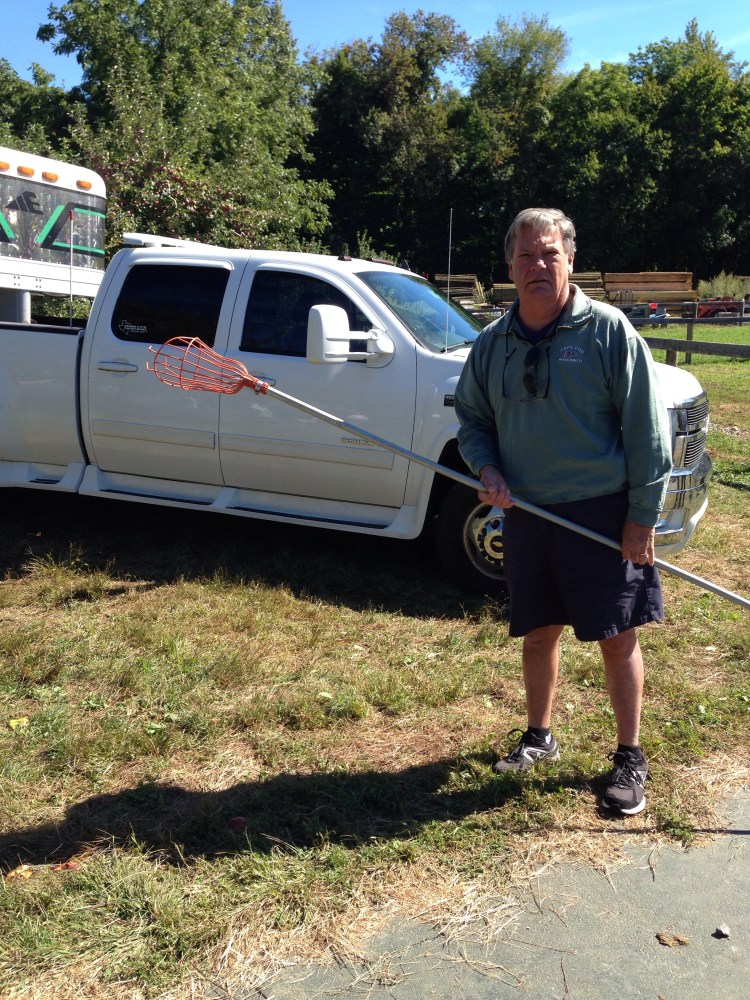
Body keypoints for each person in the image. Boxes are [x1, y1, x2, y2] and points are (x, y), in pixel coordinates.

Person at [454, 208, 673, 816]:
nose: (538, 266)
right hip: (527, 510)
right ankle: (539, 736)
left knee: (616, 636)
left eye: (549, 254)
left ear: (570, 259)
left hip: (601, 514)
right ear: (509, 268)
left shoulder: (608, 333)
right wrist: (487, 469)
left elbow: (647, 431)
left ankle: (630, 756)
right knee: (538, 630)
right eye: (525, 256)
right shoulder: (493, 343)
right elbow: (472, 420)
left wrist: (642, 515)